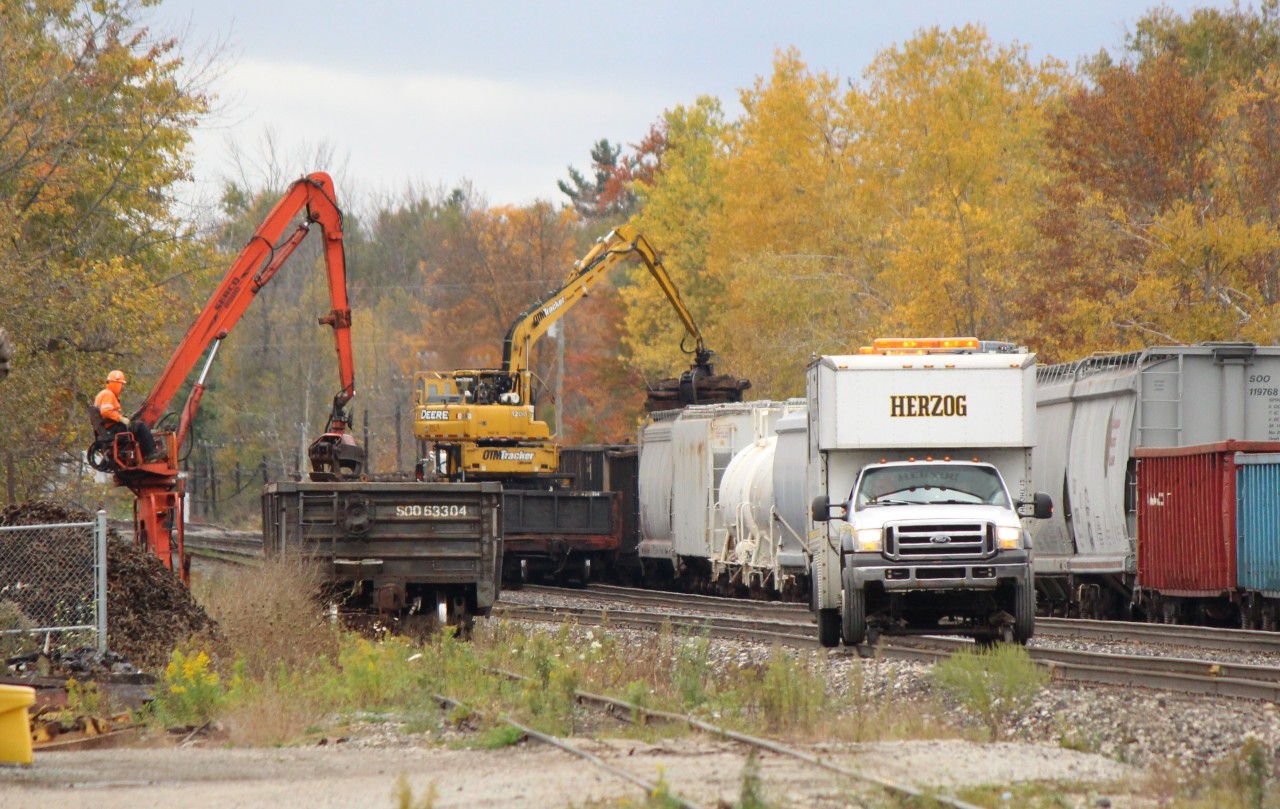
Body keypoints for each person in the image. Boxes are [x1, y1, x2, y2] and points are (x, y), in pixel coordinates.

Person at [95, 369, 164, 463]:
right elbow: (106, 412)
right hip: (113, 429)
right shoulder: (108, 395)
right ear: (116, 383)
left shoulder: (102, 394)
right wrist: (121, 418)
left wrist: (122, 417)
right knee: (141, 426)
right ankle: (150, 454)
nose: (122, 387)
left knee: (136, 426)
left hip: (107, 429)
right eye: (121, 384)